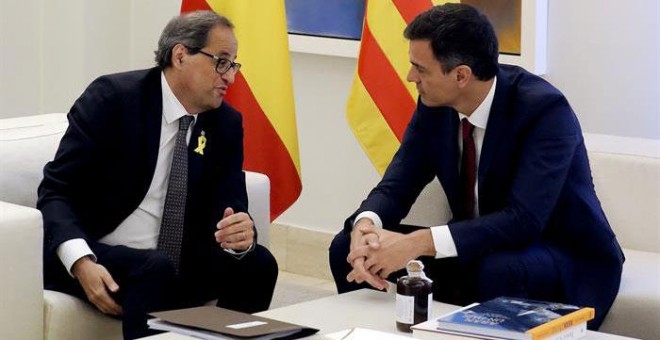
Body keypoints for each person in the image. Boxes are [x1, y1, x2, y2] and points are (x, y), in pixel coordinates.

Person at [329, 3, 623, 330]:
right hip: (478, 247)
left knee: (500, 268)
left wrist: (416, 242)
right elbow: (398, 183)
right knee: (345, 246)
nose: (411, 77)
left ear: (461, 75)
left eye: (421, 69)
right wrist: (366, 225)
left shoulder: (544, 111)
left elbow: (524, 221)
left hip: (560, 253)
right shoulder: (435, 106)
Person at [38, 11, 278, 339]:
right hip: (100, 255)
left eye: (234, 65)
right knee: (154, 268)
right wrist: (81, 261)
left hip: (175, 263)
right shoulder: (113, 99)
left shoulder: (224, 124)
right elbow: (55, 191)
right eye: (222, 62)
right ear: (181, 56)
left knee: (259, 264)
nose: (230, 77)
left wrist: (240, 235)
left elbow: (231, 206)